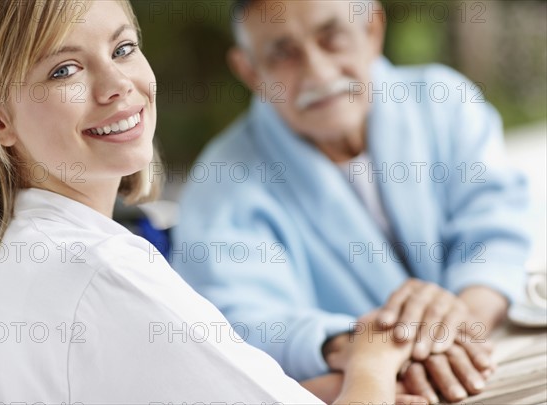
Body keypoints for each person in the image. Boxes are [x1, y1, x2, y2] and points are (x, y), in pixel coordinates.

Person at [0, 0, 430, 403]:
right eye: (64, 69)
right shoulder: (108, 271)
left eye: (123, 48)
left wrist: (321, 388)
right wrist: (373, 358)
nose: (117, 84)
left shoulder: (21, 246)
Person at [172, 0, 531, 402]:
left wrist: (458, 320)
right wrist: (364, 349)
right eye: (282, 54)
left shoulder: (444, 100)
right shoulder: (221, 182)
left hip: (483, 357)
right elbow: (239, 322)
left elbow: (498, 227)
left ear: (372, 30)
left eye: (333, 38)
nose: (318, 72)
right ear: (250, 72)